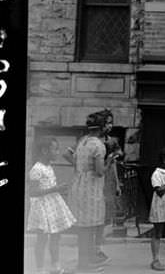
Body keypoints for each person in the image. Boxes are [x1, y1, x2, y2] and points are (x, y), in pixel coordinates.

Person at [65, 110, 109, 271]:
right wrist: (109, 161)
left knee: (84, 228)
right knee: (88, 228)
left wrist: (79, 167)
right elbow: (100, 171)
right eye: (107, 124)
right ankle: (85, 264)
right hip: (91, 189)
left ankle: (84, 262)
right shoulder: (98, 145)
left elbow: (67, 155)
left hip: (79, 185)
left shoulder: (83, 141)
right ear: (102, 127)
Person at [27, 136, 77, 274]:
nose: (57, 152)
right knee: (42, 239)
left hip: (52, 206)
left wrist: (59, 189)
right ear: (44, 150)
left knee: (56, 236)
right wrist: (55, 189)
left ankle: (56, 267)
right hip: (42, 208)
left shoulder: (48, 166)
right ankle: (40, 269)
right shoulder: (37, 169)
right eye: (55, 149)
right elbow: (32, 192)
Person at [103, 135, 123, 229]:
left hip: (108, 179)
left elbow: (120, 154)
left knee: (109, 203)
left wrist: (117, 184)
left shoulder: (112, 141)